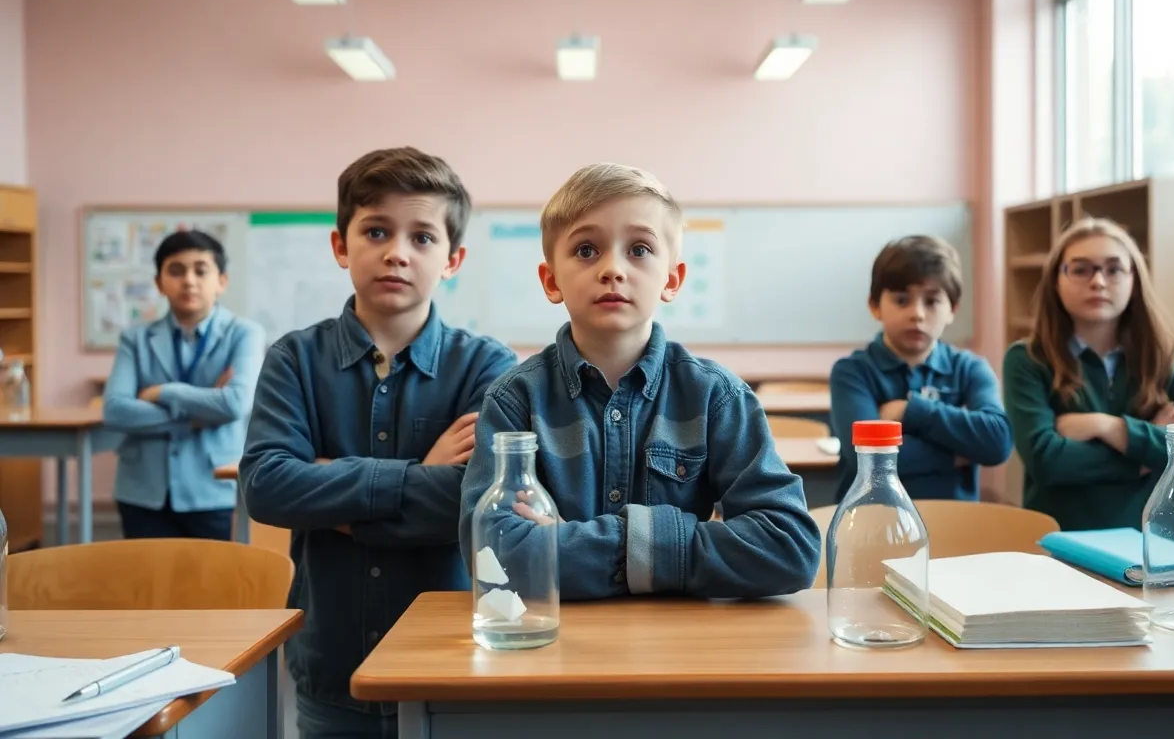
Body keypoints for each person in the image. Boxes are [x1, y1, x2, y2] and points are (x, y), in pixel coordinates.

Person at [239, 146, 516, 738]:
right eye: (376, 231)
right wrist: (420, 473)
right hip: (330, 664)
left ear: (453, 258)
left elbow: (477, 503)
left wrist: (331, 492)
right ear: (341, 246)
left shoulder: (487, 365)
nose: (396, 252)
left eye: (422, 237)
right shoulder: (294, 358)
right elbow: (266, 488)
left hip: (452, 660)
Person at [458, 162, 819, 600]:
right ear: (552, 281)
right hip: (553, 651)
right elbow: (494, 555)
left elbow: (789, 547)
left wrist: (572, 543)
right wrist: (692, 544)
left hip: (679, 653)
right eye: (587, 250)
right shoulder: (515, 401)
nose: (612, 269)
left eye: (640, 250)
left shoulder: (716, 397)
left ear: (672, 279)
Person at [1003, 217, 1174, 531]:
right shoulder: (1027, 359)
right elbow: (1047, 461)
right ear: (1055, 280)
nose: (1099, 282)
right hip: (1060, 541)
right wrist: (1147, 455)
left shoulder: (1164, 356)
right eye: (1080, 269)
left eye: (1114, 269)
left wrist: (1112, 428)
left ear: (1134, 280)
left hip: (1148, 542)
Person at [102, 229, 265, 540]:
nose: (189, 280)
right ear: (159, 283)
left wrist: (163, 393)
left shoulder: (244, 334)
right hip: (142, 488)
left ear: (222, 281)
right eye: (176, 270)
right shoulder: (135, 339)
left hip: (212, 486)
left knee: (209, 585)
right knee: (147, 585)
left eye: (201, 270)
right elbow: (115, 410)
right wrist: (198, 414)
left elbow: (234, 404)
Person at [829, 236, 1012, 502]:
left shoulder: (970, 368)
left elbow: (997, 442)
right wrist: (956, 452)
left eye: (932, 301)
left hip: (956, 525)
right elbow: (866, 460)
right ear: (875, 306)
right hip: (873, 523)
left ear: (952, 309)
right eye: (902, 300)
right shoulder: (852, 372)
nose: (917, 314)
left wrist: (910, 411)